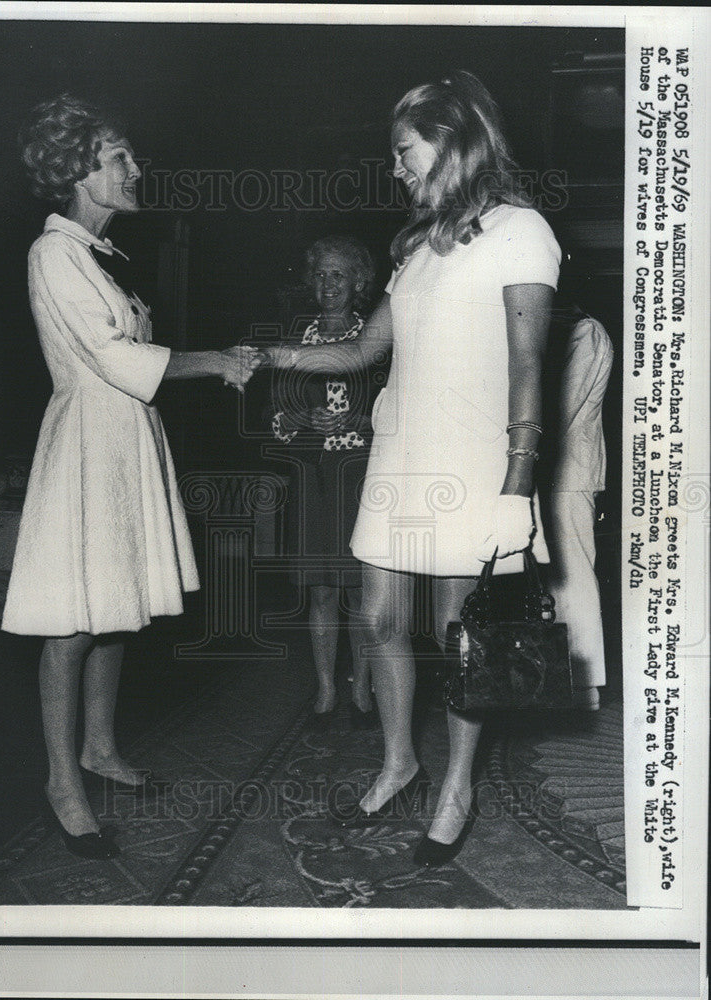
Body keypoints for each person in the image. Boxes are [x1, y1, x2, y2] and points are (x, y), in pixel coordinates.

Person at [258, 71, 560, 866]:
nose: (395, 168)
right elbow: (365, 348)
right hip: (399, 454)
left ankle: (457, 787)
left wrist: (517, 488)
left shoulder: (521, 231)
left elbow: (530, 366)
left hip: (471, 464)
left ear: (453, 138)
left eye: (405, 151)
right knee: (380, 619)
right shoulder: (419, 245)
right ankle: (399, 762)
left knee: (462, 638)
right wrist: (269, 354)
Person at [1, 94, 258, 859]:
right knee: (75, 623)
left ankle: (100, 748)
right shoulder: (53, 254)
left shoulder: (96, 255)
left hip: (126, 439)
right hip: (87, 440)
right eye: (121, 158)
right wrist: (217, 361)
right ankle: (60, 780)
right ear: (82, 170)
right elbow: (114, 359)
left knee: (118, 605)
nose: (136, 169)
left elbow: (132, 356)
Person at [269, 236, 377, 728]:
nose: (329, 284)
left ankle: (364, 690)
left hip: (363, 477)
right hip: (315, 479)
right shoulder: (296, 341)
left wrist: (362, 422)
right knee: (320, 591)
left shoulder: (378, 340)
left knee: (361, 590)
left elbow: (398, 410)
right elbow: (273, 419)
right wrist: (302, 418)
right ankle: (326, 689)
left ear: (358, 282)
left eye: (339, 275)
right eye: (321, 275)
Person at [539, 297, 614, 712]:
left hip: (566, 472)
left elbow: (561, 409)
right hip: (562, 470)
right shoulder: (573, 330)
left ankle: (585, 683)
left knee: (573, 577)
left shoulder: (583, 331)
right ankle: (567, 679)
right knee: (559, 579)